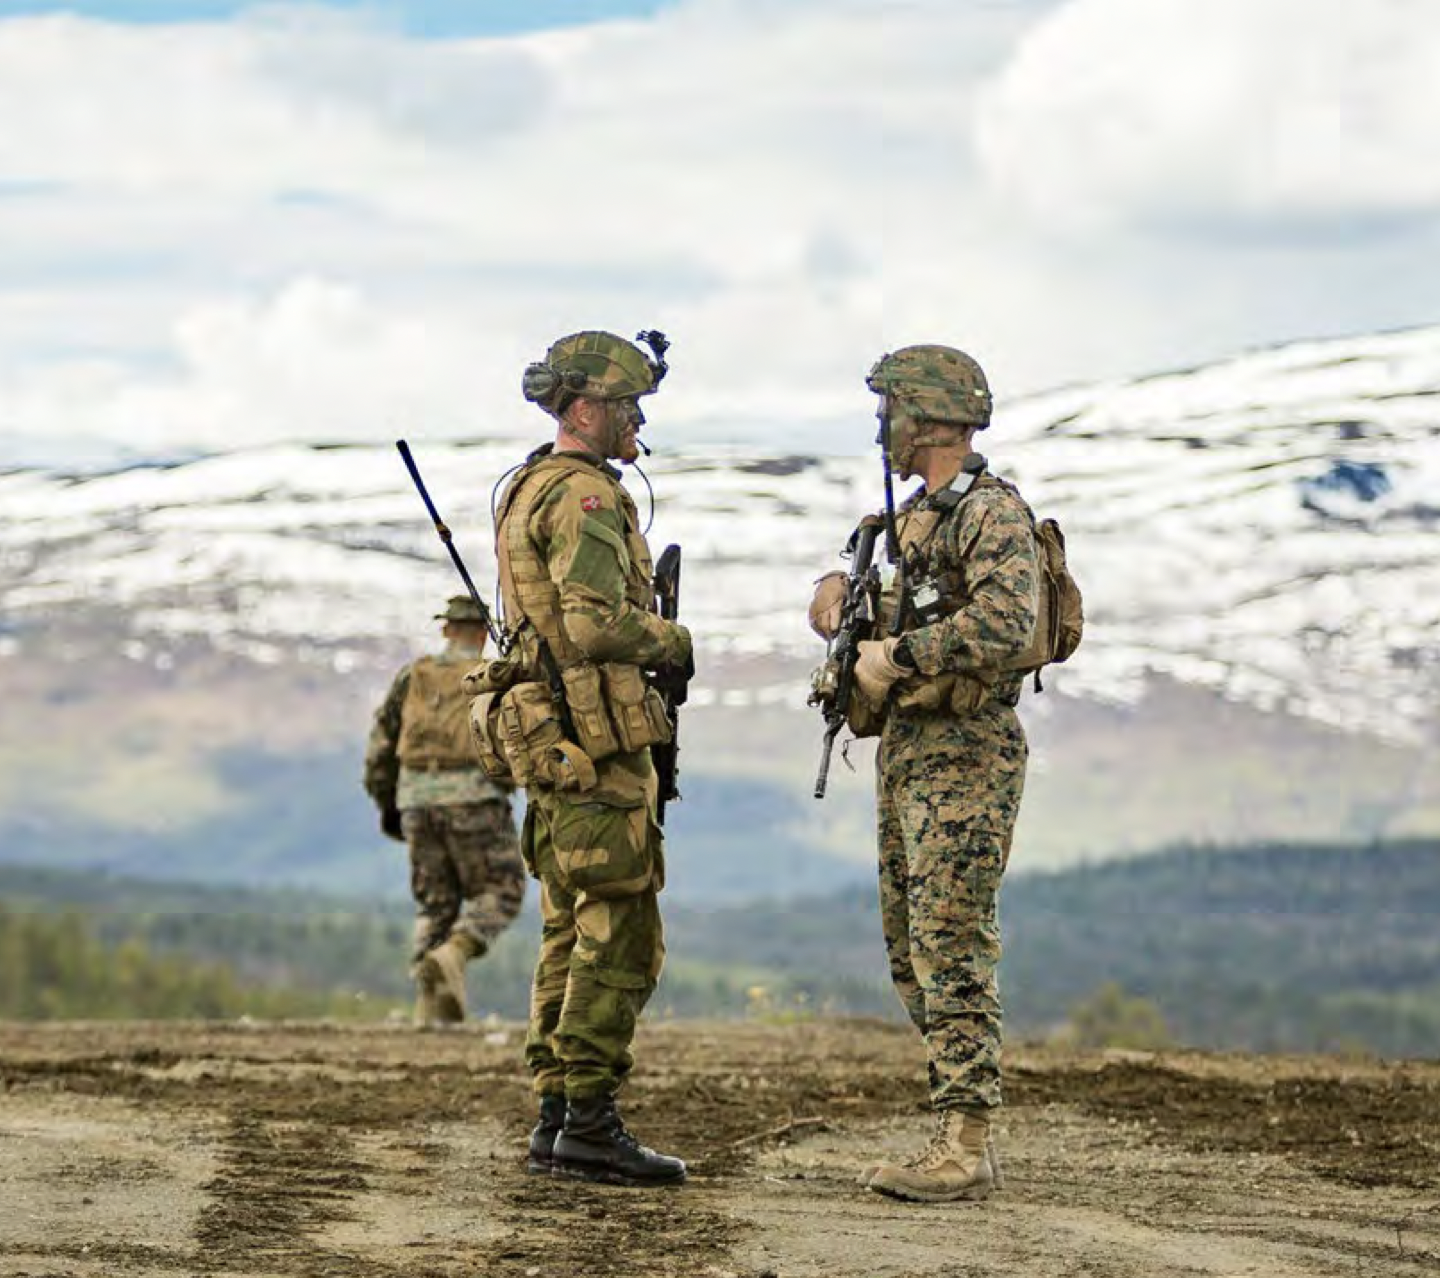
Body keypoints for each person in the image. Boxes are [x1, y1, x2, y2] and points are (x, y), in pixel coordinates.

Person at [809, 345, 1040, 1203]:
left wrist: (895, 654)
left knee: (951, 943)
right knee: (912, 951)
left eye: (892, 410)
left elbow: (1008, 625)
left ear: (929, 418)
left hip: (967, 751)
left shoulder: (991, 514)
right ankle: (960, 1120)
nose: (883, 428)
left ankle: (965, 1142)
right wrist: (839, 604)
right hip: (911, 752)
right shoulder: (908, 522)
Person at [486, 329, 692, 1188]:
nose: (636, 419)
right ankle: (589, 1122)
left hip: (557, 745)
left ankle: (556, 1117)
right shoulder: (585, 499)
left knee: (570, 926)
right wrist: (675, 638)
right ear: (584, 410)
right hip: (595, 748)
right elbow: (592, 622)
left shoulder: (527, 486)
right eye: (625, 405)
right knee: (619, 931)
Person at [364, 595, 525, 1027]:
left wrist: (390, 804)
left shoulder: (413, 676)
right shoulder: (493, 677)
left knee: (434, 903)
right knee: (503, 888)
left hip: (415, 798)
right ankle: (455, 953)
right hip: (474, 799)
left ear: (447, 630)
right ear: (481, 632)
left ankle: (429, 1011)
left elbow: (381, 745)